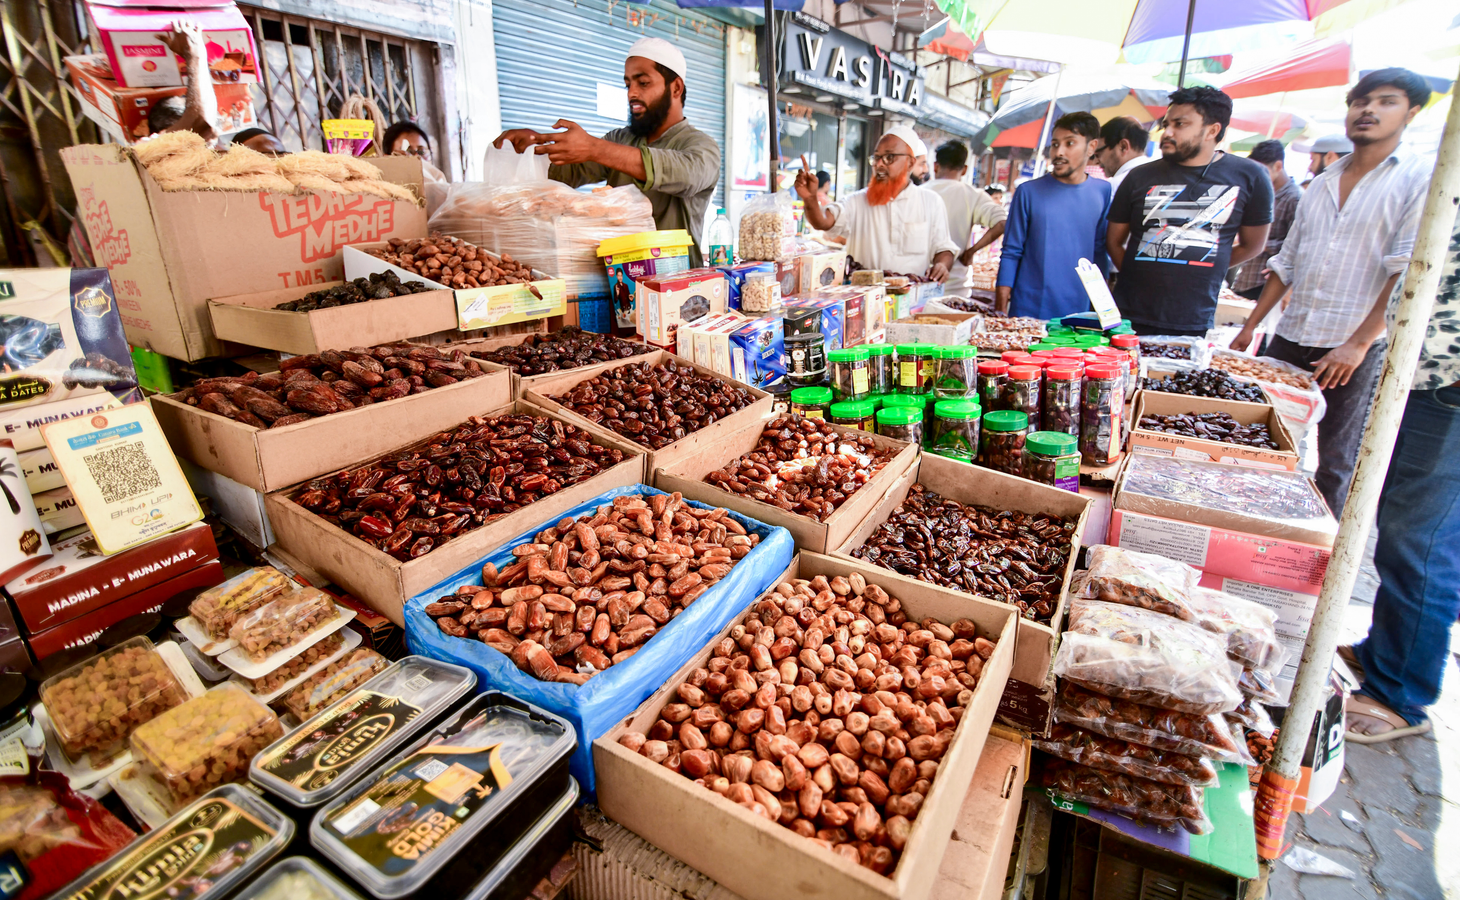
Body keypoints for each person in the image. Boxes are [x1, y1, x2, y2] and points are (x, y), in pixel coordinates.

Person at [1230, 68, 1433, 516]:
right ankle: (1259, 527)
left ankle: (1322, 547)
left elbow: (1405, 273)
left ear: (1412, 112)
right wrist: (1251, 327)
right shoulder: (1322, 182)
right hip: (1293, 334)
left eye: (1386, 101)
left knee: (1337, 461)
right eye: (1361, 101)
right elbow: (1288, 262)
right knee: (1261, 441)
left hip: (1353, 346)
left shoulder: (1418, 179)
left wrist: (1357, 345)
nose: (1368, 110)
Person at [1341, 199, 1460, 745]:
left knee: (1422, 544)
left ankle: (1400, 694)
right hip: (1422, 379)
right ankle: (1385, 654)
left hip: (1449, 390)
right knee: (1398, 530)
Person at [495, 38, 720, 265]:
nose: (632, 94)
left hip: (677, 280)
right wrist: (534, 147)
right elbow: (566, 174)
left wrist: (594, 148)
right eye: (628, 85)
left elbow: (686, 173)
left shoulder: (702, 146)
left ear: (676, 88)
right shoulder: (621, 139)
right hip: (619, 276)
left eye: (643, 83)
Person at [1106, 86, 1273, 336]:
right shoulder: (1139, 176)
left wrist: (1203, 268)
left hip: (1193, 319)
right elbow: (1113, 241)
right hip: (1129, 315)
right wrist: (1137, 275)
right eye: (1166, 124)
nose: (1167, 132)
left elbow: (1253, 245)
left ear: (1212, 130)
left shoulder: (1250, 177)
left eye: (1180, 124)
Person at [796, 125, 957, 282]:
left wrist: (942, 265)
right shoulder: (857, 201)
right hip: (865, 297)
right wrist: (810, 199)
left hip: (913, 297)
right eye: (876, 158)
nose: (879, 164)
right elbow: (823, 221)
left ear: (910, 162)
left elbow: (943, 248)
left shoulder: (931, 202)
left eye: (889, 157)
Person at [995, 112, 1110, 319]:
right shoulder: (1028, 192)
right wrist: (1000, 310)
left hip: (1081, 313)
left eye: (1069, 143)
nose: (1059, 152)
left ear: (1091, 147)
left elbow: (1099, 251)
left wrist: (1103, 310)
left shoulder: (1103, 191)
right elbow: (1011, 252)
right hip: (1029, 312)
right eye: (1055, 144)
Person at [926, 140, 1007, 300]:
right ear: (964, 170)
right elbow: (1002, 223)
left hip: (920, 283)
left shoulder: (920, 192)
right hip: (956, 287)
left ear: (935, 166)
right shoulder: (973, 195)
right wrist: (971, 251)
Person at [1228, 139, 1302, 301]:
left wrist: (1259, 241)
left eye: (1262, 170)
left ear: (1278, 166)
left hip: (1267, 284)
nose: (1257, 176)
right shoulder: (1259, 192)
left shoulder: (1295, 198)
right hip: (1246, 278)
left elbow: (1296, 247)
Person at [146, 22, 216, 141]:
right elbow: (202, 125)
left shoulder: (155, 145)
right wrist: (195, 57)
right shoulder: (164, 146)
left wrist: (192, 57)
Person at [1094, 116, 1152, 196]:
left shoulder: (1114, 187)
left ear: (1123, 147)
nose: (1096, 161)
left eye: (1098, 154)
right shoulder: (1159, 176)